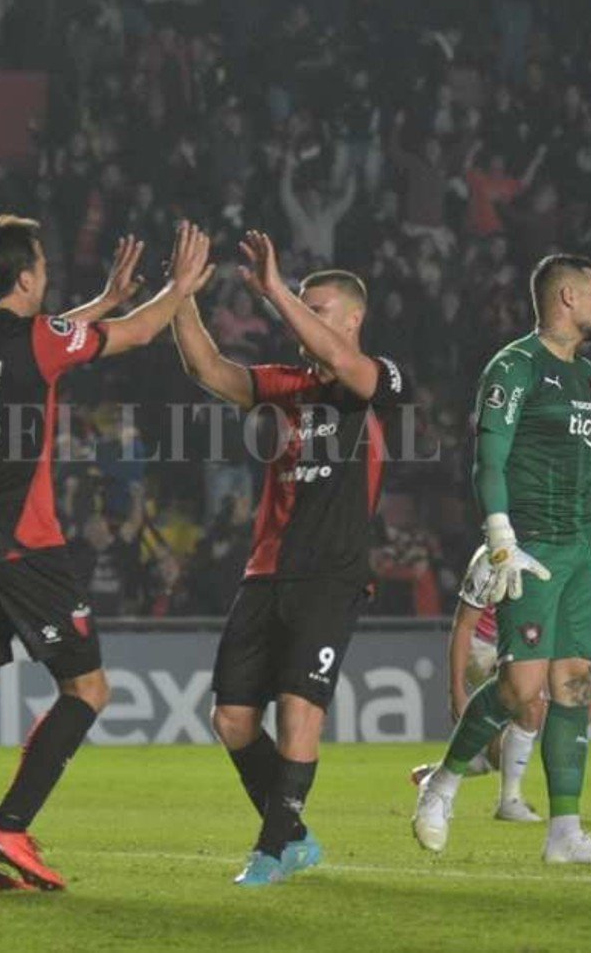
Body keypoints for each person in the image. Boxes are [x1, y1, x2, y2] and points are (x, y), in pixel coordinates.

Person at [0, 217, 212, 895]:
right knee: (86, 689)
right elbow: (137, 334)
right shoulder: (36, 339)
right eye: (42, 265)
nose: (47, 275)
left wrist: (107, 299)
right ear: (25, 276)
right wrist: (178, 287)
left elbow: (44, 339)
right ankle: (11, 823)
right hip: (24, 545)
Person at [412, 253, 591, 866]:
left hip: (586, 549)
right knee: (519, 687)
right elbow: (489, 460)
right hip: (529, 547)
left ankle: (565, 832)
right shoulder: (514, 367)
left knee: (574, 682)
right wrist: (500, 533)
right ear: (566, 298)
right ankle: (443, 783)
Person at [171, 230, 413, 887]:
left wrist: (275, 288)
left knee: (298, 709)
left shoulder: (375, 381)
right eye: (299, 306)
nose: (303, 320)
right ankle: (295, 835)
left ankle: (272, 848)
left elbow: (348, 363)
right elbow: (208, 370)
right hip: (265, 571)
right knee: (230, 719)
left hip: (331, 573)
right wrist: (180, 297)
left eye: (319, 307)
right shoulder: (286, 386)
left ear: (353, 319)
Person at [407, 559, 546, 824]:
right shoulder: (494, 558)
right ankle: (509, 801)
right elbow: (463, 625)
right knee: (530, 703)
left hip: (515, 646)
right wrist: (456, 689)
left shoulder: (546, 558)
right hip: (483, 647)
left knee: (500, 752)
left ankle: (438, 774)